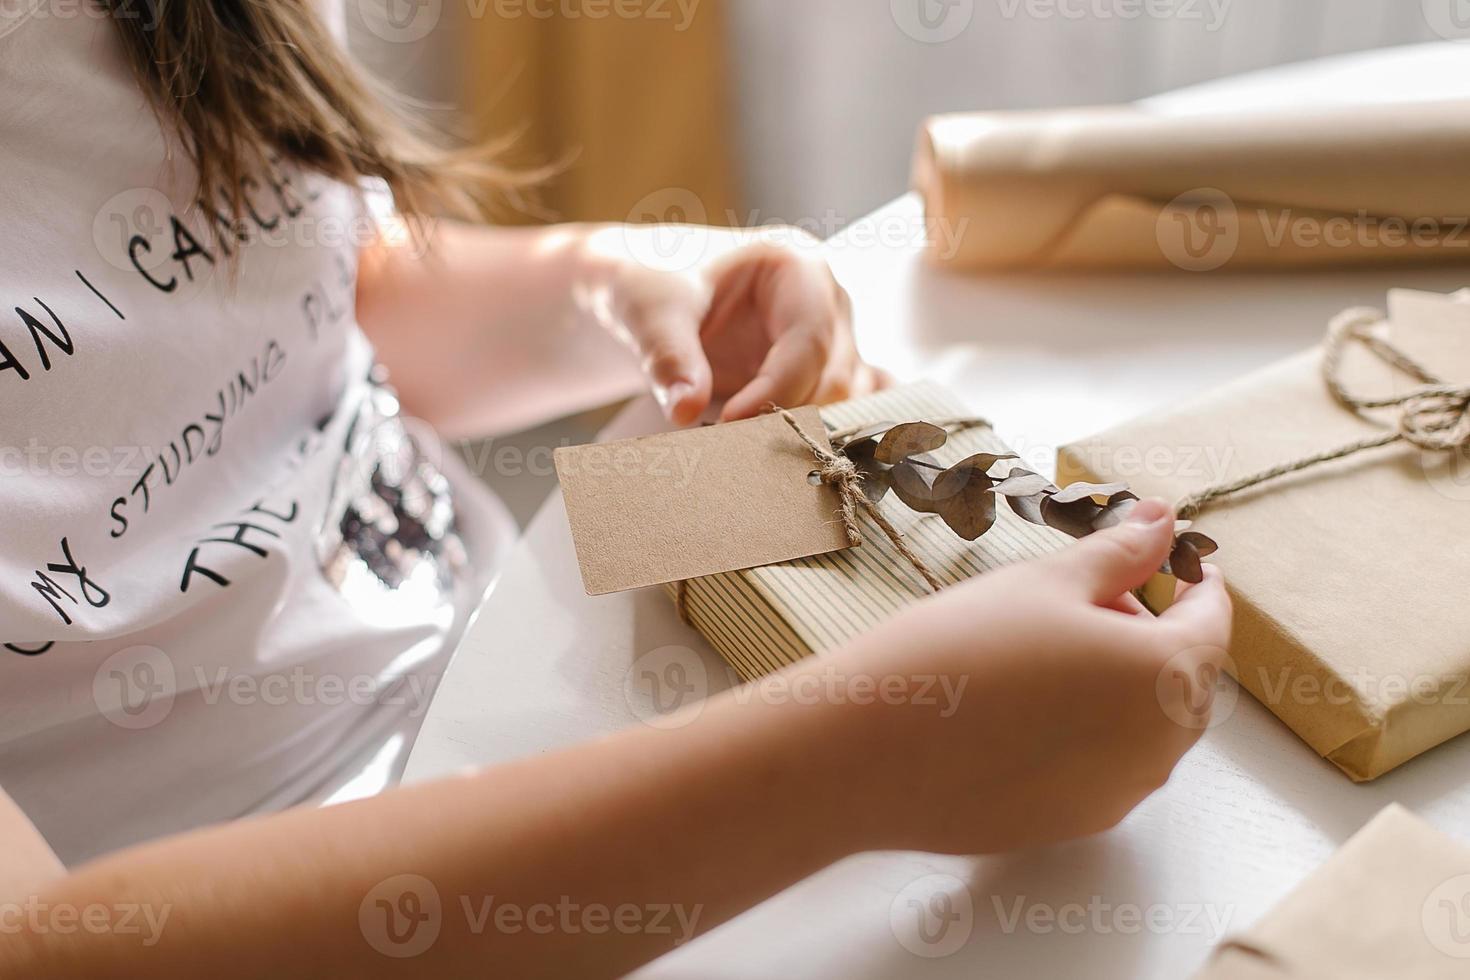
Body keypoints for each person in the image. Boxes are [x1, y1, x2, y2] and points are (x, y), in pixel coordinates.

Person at [0, 2, 1232, 976]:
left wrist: (625, 289)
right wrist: (865, 761)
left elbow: (306, 296)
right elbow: (49, 947)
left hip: (534, 688)